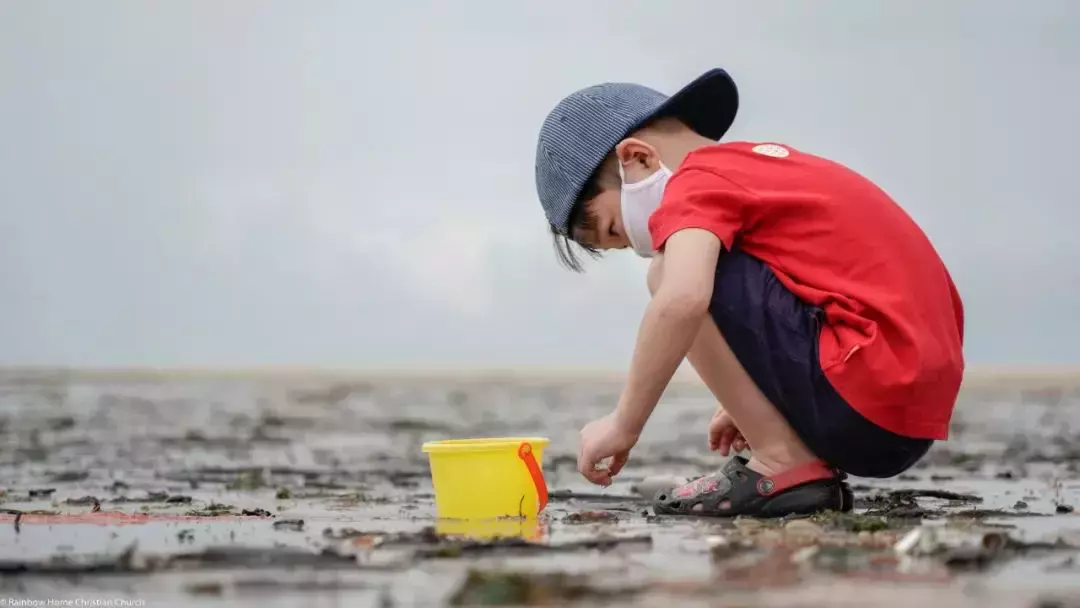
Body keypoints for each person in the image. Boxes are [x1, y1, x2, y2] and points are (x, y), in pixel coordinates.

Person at [532, 68, 965, 517]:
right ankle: (783, 446)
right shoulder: (761, 168)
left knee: (669, 273)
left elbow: (682, 299)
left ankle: (782, 461)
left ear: (638, 159)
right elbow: (823, 286)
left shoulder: (696, 183)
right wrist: (759, 397)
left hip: (866, 392)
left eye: (616, 229)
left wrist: (623, 424)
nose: (638, 248)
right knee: (690, 264)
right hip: (909, 408)